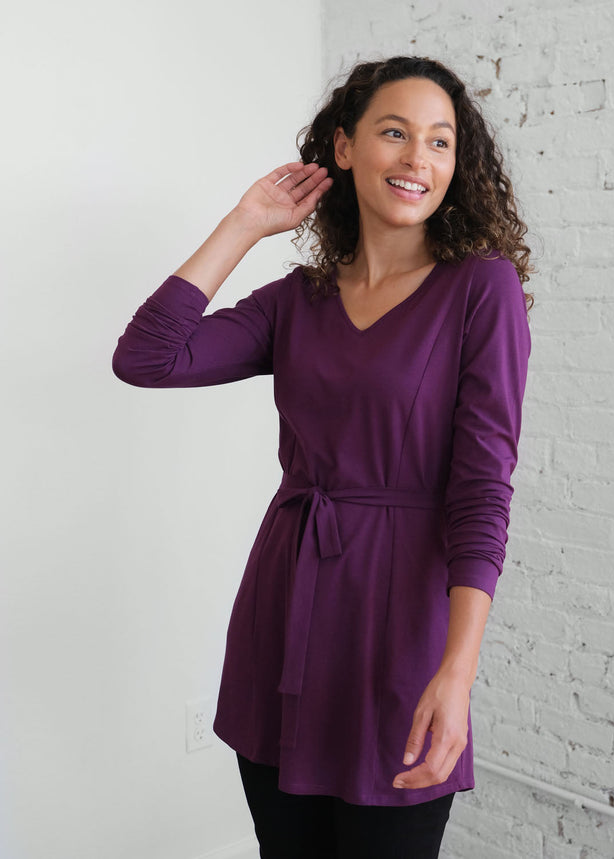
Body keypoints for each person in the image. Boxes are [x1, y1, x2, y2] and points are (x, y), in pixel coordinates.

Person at [113, 56, 533, 859]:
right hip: (285, 613)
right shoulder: (297, 300)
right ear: (344, 147)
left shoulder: (482, 290)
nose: (418, 158)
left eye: (440, 141)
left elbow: (483, 490)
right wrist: (244, 223)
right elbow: (147, 358)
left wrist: (457, 671)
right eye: (395, 132)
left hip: (401, 630)